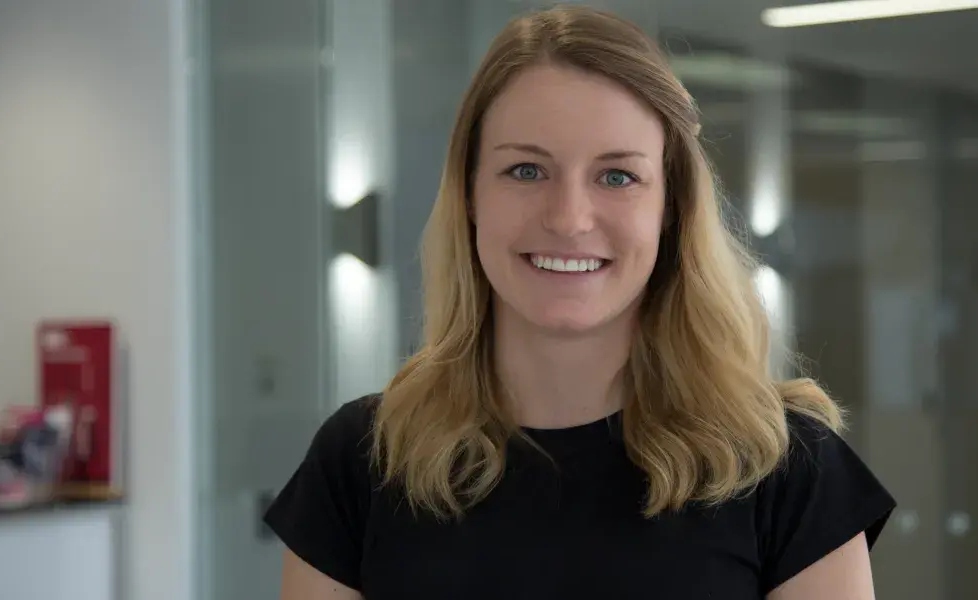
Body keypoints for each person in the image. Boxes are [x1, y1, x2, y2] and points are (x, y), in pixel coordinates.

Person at [265, 5, 896, 599]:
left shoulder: (787, 470)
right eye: (526, 171)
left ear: (670, 209)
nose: (569, 219)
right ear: (469, 196)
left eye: (617, 176)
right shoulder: (359, 461)